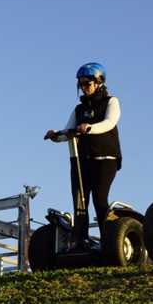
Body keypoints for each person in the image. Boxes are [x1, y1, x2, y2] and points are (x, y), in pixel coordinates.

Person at [44, 62, 122, 247]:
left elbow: (109, 123)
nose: (83, 87)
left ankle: (109, 241)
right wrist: (55, 135)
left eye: (87, 83)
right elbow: (69, 130)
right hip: (82, 160)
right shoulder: (79, 109)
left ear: (99, 82)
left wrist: (90, 127)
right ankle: (81, 240)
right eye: (81, 84)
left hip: (105, 159)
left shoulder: (111, 102)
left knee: (99, 199)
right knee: (80, 200)